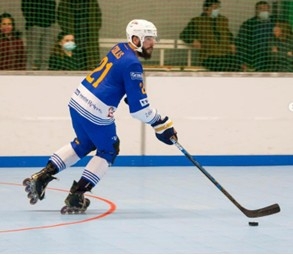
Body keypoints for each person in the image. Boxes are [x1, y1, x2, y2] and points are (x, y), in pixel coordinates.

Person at [23, 19, 178, 214]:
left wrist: (133, 97)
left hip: (78, 100)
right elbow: (139, 110)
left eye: (153, 39)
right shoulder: (133, 64)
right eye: (148, 39)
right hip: (95, 110)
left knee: (84, 143)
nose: (152, 43)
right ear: (135, 38)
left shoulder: (119, 48)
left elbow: (115, 80)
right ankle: (77, 195)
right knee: (109, 150)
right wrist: (161, 123)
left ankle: (42, 177)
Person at [179, 0, 240, 71]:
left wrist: (232, 43)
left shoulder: (223, 20)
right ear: (206, 9)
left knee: (237, 65)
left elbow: (229, 34)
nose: (216, 10)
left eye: (218, 8)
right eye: (214, 8)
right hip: (209, 56)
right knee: (223, 67)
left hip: (225, 54)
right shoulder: (197, 21)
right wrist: (193, 40)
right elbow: (184, 34)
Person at [57, 0, 102, 70]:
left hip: (88, 35)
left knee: (89, 58)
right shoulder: (65, 2)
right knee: (72, 57)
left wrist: (94, 29)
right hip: (72, 33)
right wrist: (66, 30)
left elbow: (98, 17)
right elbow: (60, 16)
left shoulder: (92, 2)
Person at [236, 1, 276, 71]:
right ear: (256, 10)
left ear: (269, 10)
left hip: (272, 58)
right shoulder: (249, 24)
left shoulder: (276, 22)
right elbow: (241, 43)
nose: (264, 11)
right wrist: (242, 61)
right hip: (254, 57)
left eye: (266, 9)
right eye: (261, 9)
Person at [21, 0, 56, 70]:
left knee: (45, 56)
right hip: (34, 26)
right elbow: (25, 6)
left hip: (48, 26)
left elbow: (53, 4)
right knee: (32, 55)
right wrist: (32, 20)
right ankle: (29, 74)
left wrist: (51, 20)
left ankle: (43, 74)